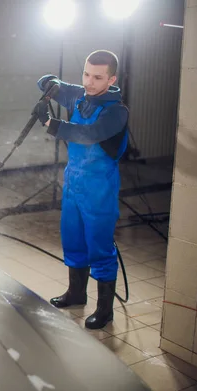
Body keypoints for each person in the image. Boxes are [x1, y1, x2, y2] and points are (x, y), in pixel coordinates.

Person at [34, 49, 129, 330]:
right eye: (86, 74)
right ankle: (76, 293)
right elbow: (45, 83)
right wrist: (50, 82)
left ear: (111, 79)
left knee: (99, 246)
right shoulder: (80, 95)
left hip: (99, 187)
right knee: (73, 238)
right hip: (74, 183)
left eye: (97, 77)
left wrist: (52, 124)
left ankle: (104, 310)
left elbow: (89, 135)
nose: (89, 82)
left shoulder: (116, 111)